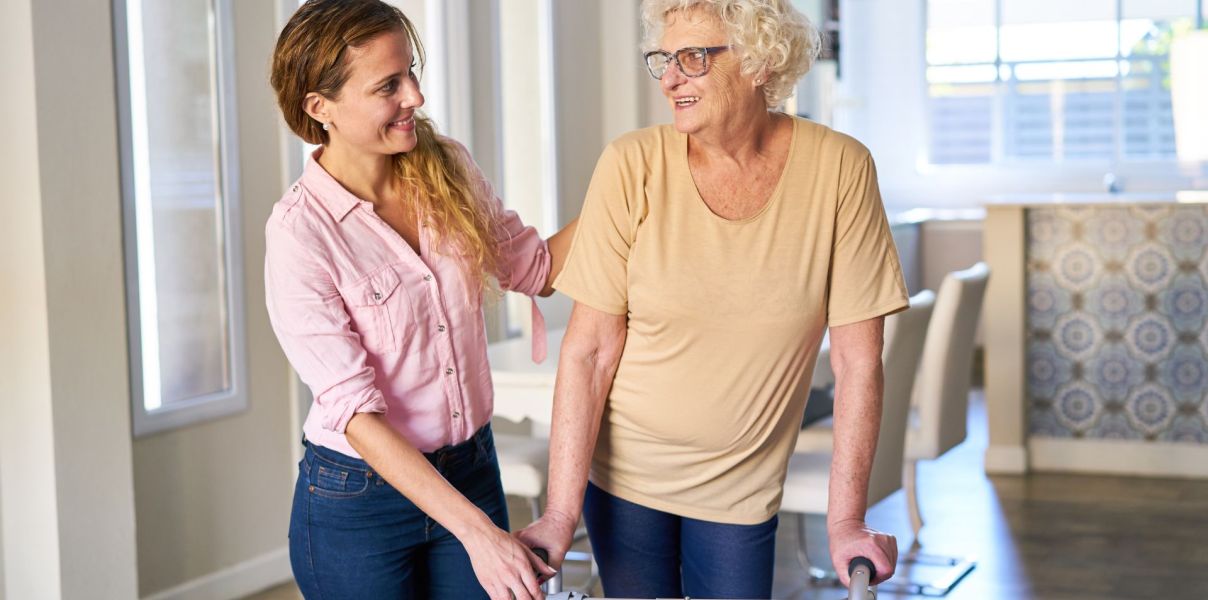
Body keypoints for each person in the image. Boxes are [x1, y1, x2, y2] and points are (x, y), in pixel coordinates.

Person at [515, 0, 907, 598]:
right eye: (664, 59)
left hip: (742, 487)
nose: (670, 77)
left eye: (693, 58)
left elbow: (858, 362)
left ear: (759, 61)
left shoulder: (839, 170)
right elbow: (589, 351)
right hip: (623, 480)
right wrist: (559, 514)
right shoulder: (632, 164)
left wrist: (846, 520)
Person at [266, 1, 572, 598]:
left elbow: (534, 268)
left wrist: (636, 179)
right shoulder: (300, 234)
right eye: (388, 85)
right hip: (359, 503)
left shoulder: (447, 166)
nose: (415, 97)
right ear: (319, 106)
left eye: (412, 73)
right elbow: (355, 414)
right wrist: (479, 533)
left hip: (470, 468)